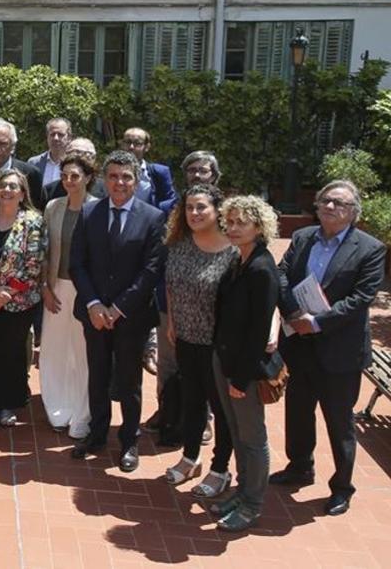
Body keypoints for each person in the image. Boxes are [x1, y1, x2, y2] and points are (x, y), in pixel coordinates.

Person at [272, 180, 386, 517]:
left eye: (338, 203)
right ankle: (300, 466)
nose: (330, 206)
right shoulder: (303, 237)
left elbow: (362, 298)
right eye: (325, 201)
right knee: (298, 410)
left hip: (339, 351)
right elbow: (280, 275)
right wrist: (295, 313)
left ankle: (341, 487)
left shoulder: (370, 248)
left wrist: (318, 321)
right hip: (299, 344)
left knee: (339, 422)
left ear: (353, 212)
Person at [68, 150, 167, 472]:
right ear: (104, 180)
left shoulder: (152, 217)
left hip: (131, 316)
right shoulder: (87, 213)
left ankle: (129, 441)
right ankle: (97, 435)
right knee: (97, 375)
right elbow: (77, 264)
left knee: (129, 382)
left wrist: (119, 308)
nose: (119, 182)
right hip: (94, 314)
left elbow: (151, 271)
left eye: (126, 177)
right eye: (113, 176)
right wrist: (95, 304)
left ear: (136, 182)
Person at [210, 195, 281, 532]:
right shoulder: (239, 259)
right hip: (224, 358)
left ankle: (253, 504)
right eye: (231, 222)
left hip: (245, 369)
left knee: (252, 437)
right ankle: (242, 491)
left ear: (259, 226)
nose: (234, 228)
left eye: (242, 223)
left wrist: (240, 378)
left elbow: (257, 331)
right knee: (237, 432)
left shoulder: (262, 268)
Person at [162, 185, 237, 498]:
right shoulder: (179, 244)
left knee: (221, 409)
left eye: (201, 207)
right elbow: (170, 283)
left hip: (217, 345)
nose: (194, 213)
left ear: (217, 210)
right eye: (189, 207)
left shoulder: (233, 251)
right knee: (192, 402)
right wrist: (174, 324)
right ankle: (190, 458)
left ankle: (220, 468)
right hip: (185, 339)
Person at [0, 170, 45, 428]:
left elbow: (33, 264)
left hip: (20, 301)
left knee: (13, 351)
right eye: (2, 185)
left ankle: (9, 404)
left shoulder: (34, 221)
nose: (7, 190)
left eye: (13, 186)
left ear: (23, 193)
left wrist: (5, 295)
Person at [39, 154, 97, 439]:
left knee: (83, 353)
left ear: (87, 177)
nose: (69, 181)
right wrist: (45, 288)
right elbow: (44, 252)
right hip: (56, 288)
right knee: (54, 350)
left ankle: (81, 413)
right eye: (64, 176)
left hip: (87, 292)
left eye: (74, 176)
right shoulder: (53, 207)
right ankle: (56, 407)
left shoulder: (99, 209)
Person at [120, 127, 177, 214]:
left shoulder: (158, 173)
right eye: (127, 142)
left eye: (137, 143)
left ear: (146, 147)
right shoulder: (110, 172)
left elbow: (170, 202)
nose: (131, 147)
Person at [42, 138, 105, 203]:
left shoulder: (107, 188)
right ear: (66, 156)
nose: (85, 158)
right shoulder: (49, 191)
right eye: (77, 153)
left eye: (91, 155)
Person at [28, 118, 72, 187]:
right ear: (47, 137)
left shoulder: (75, 164)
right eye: (52, 134)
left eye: (60, 134)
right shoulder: (34, 163)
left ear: (69, 137)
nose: (56, 138)